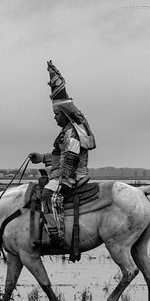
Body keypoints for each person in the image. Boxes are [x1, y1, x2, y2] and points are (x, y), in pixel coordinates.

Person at [29, 61, 96, 249]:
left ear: (65, 115)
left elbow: (71, 159)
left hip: (72, 175)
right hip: (63, 172)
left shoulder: (72, 133)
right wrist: (42, 158)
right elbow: (61, 156)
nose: (54, 117)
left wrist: (61, 178)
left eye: (57, 114)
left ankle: (56, 235)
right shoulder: (65, 132)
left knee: (48, 196)